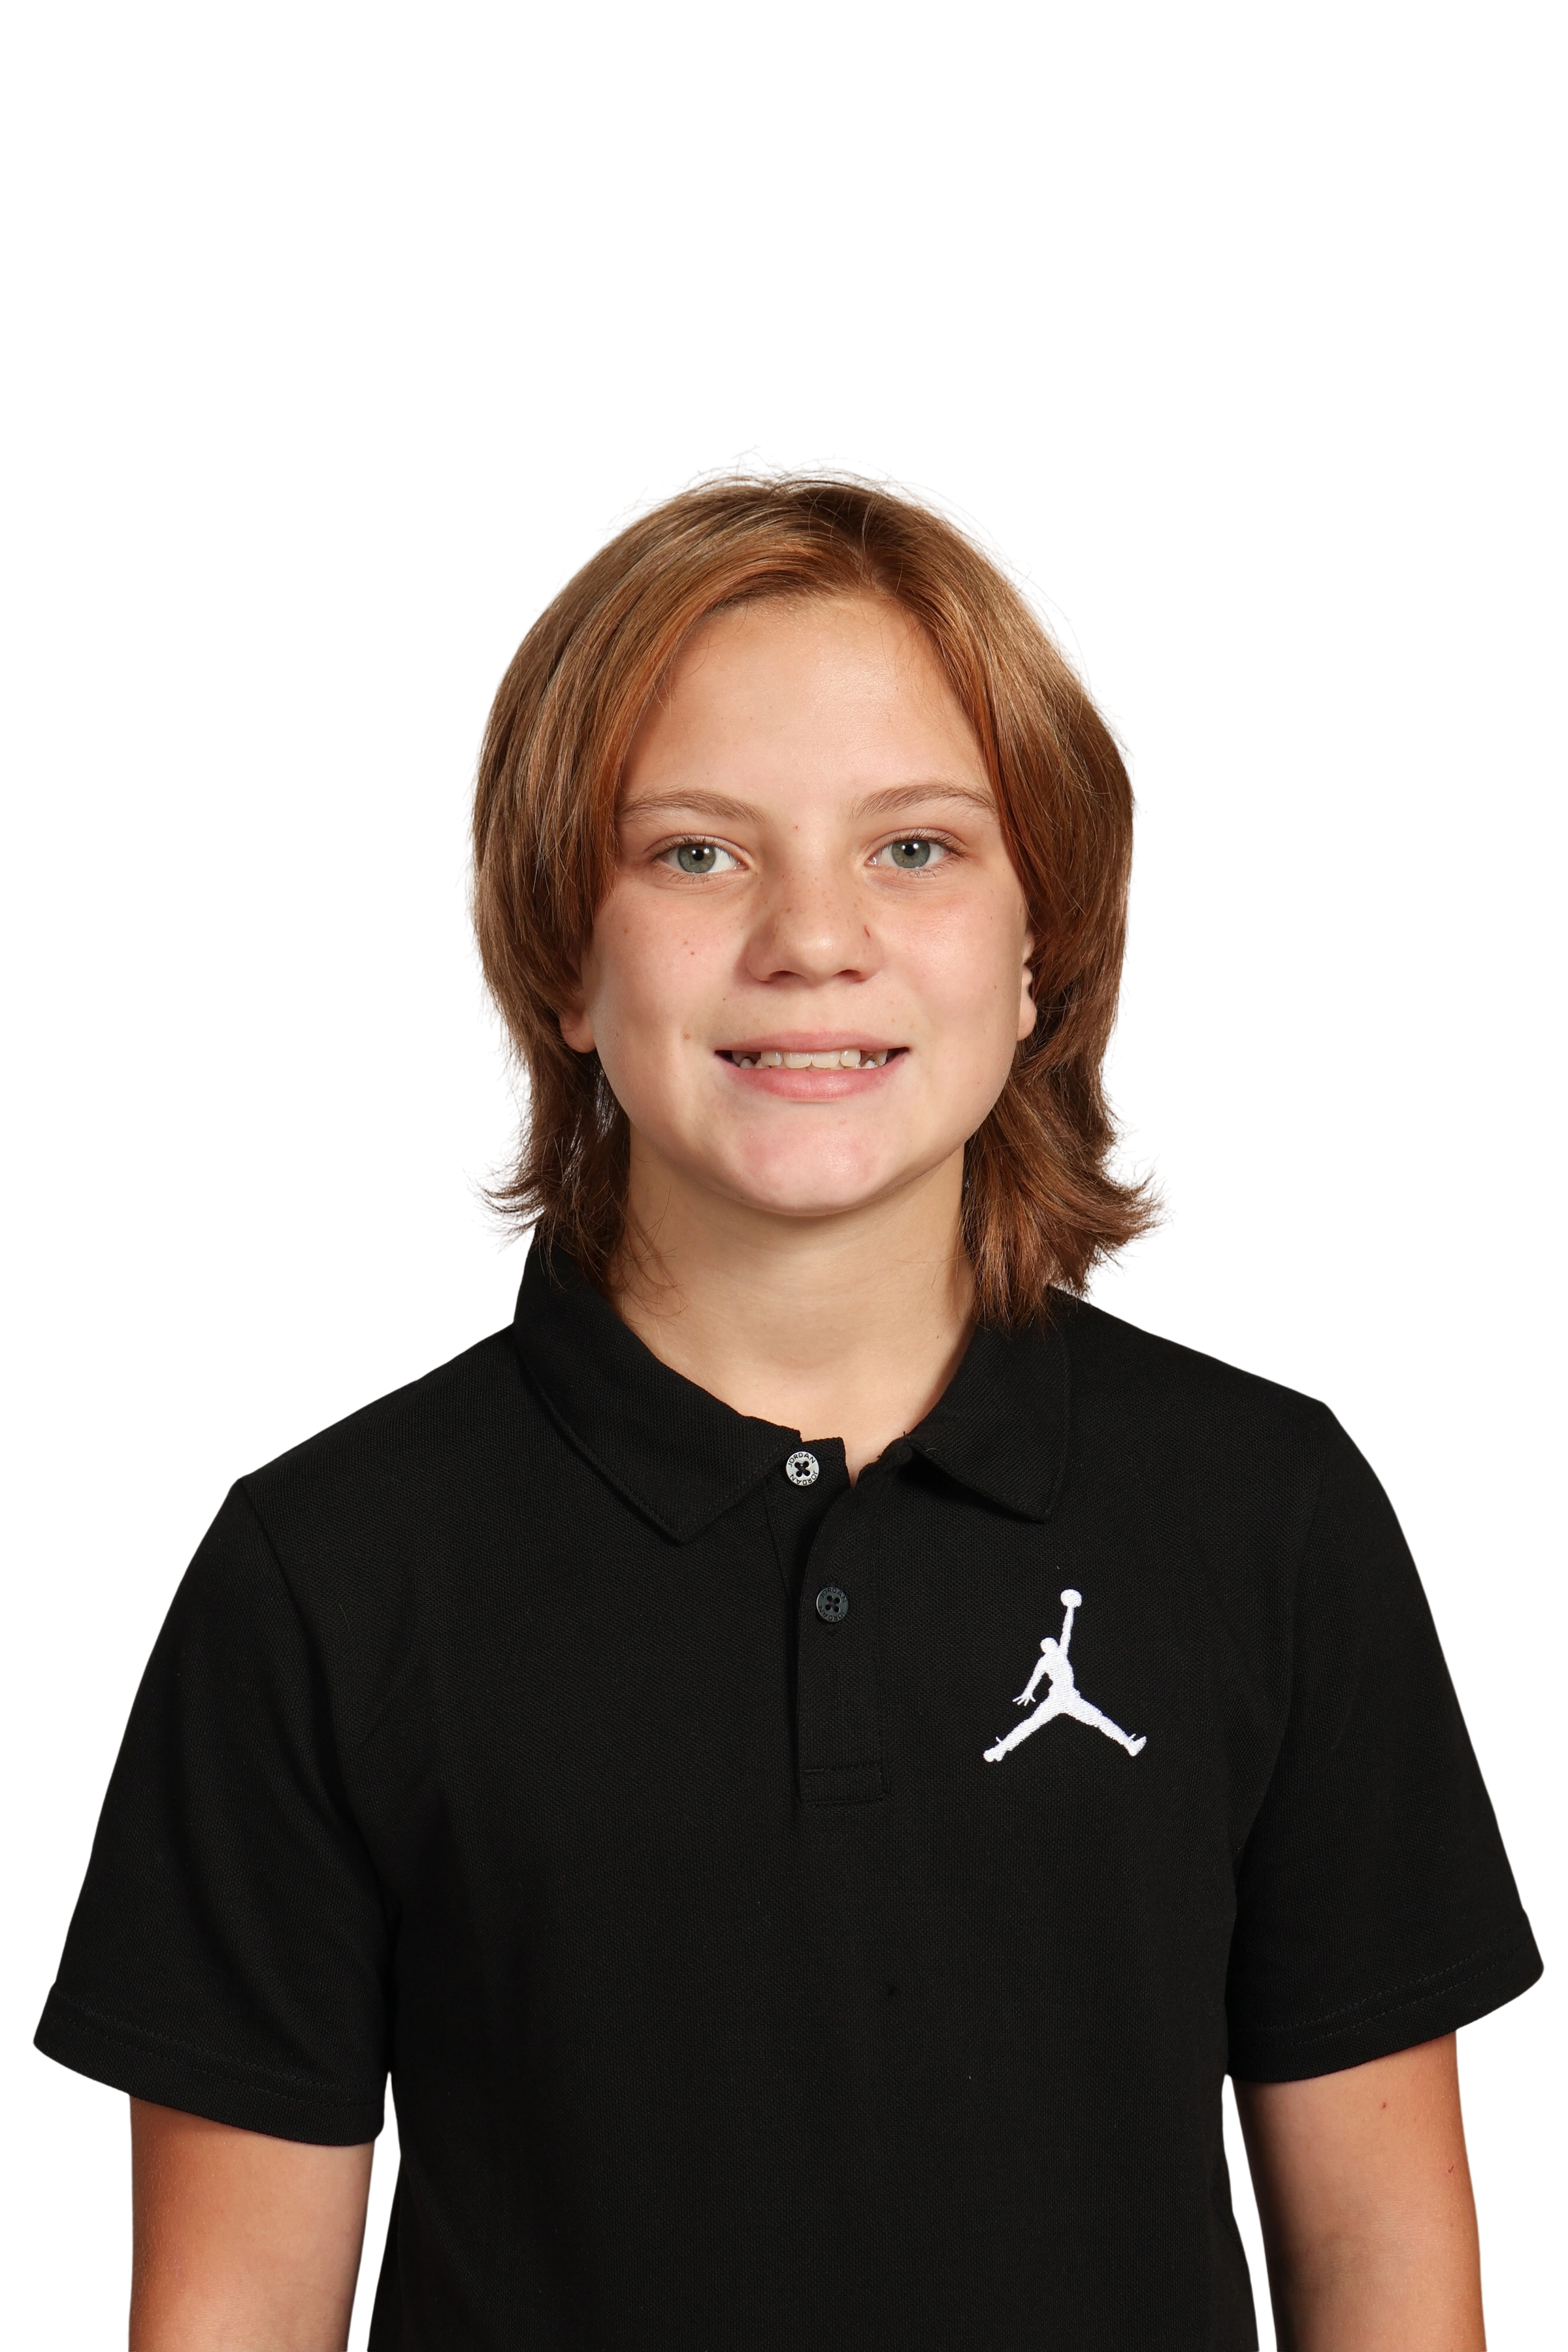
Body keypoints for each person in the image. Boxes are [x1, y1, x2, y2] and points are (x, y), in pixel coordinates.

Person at [35, 448, 1541, 2351]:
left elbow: (1391, 2269)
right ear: (561, 953)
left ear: (1042, 945)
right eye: (697, 851)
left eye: (916, 847)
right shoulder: (330, 1566)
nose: (812, 938)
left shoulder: (1263, 1508)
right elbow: (235, 2310)